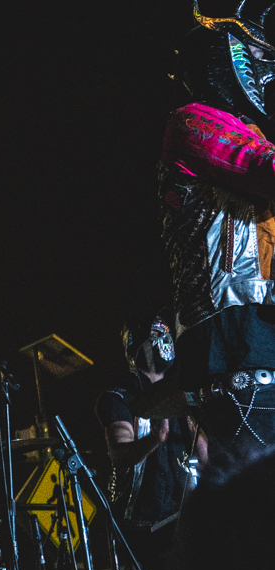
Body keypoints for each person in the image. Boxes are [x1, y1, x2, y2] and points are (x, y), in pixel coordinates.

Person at [162, 3, 275, 457]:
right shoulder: (192, 121)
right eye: (259, 56)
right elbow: (264, 168)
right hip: (232, 342)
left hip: (257, 333)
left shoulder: (255, 136)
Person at [94, 310, 205, 570]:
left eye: (165, 335)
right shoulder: (119, 398)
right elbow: (119, 454)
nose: (162, 342)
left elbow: (207, 457)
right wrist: (156, 437)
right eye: (154, 336)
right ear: (135, 346)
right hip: (142, 525)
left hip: (186, 519)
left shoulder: (186, 392)